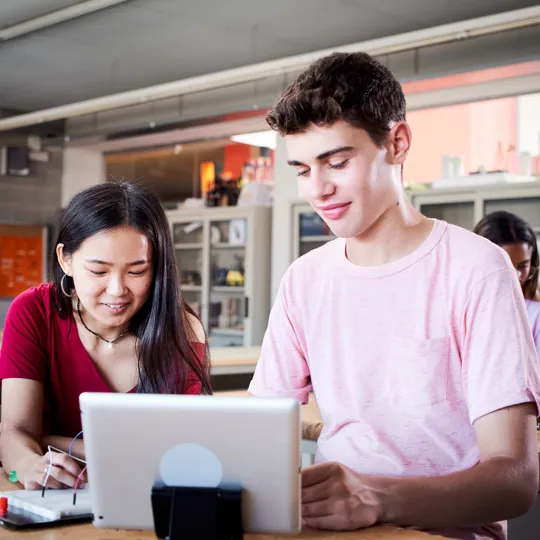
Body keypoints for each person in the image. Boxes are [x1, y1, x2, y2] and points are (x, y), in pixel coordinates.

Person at [248, 52, 540, 540]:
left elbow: (515, 482)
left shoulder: (479, 269)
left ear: (397, 143)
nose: (318, 190)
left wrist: (374, 498)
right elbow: (258, 428)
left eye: (337, 162)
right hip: (331, 532)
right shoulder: (304, 280)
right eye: (302, 170)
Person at [0, 181, 211, 490]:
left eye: (137, 271)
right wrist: (27, 464)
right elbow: (15, 432)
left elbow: (181, 451)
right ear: (66, 260)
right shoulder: (34, 312)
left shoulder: (182, 331)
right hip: (54, 501)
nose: (117, 291)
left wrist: (51, 441)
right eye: (98, 271)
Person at [474, 210, 540, 362]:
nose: (515, 276)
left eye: (523, 266)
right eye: (505, 265)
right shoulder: (462, 309)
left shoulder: (536, 314)